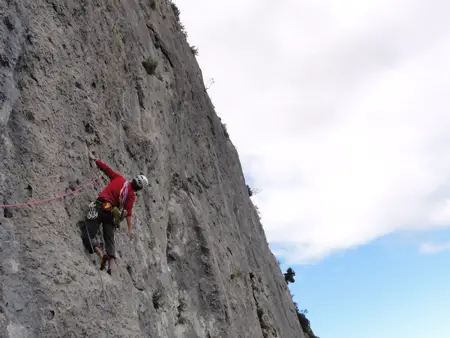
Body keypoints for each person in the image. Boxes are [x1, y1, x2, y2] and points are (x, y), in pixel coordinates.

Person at [81, 151, 148, 275]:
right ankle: (110, 267)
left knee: (87, 233)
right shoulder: (131, 196)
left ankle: (100, 253)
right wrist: (130, 229)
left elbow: (106, 169)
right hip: (111, 215)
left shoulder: (119, 178)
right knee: (110, 239)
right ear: (139, 189)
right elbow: (128, 213)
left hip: (100, 206)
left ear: (133, 179)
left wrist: (95, 159)